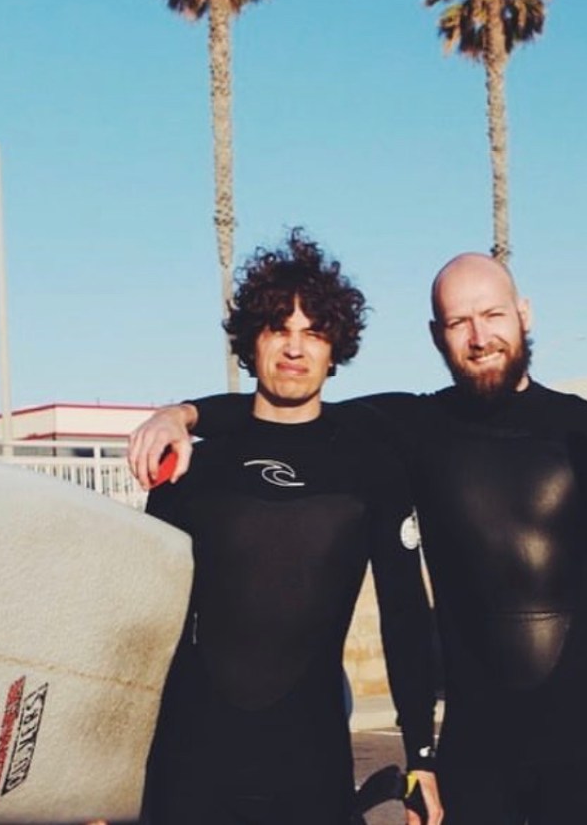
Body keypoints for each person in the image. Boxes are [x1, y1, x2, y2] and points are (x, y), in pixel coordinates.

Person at [129, 252, 587, 825]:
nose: (479, 336)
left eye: (492, 315)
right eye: (459, 322)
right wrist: (184, 413)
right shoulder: (412, 426)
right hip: (477, 754)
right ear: (438, 336)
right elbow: (290, 407)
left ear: (523, 314)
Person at [135, 231, 442, 825]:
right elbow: (144, 623)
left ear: (335, 347)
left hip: (312, 759)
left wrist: (420, 755)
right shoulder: (193, 467)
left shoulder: (371, 465)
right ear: (252, 341)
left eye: (313, 332)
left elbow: (405, 612)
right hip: (192, 757)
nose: (295, 349)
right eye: (279, 328)